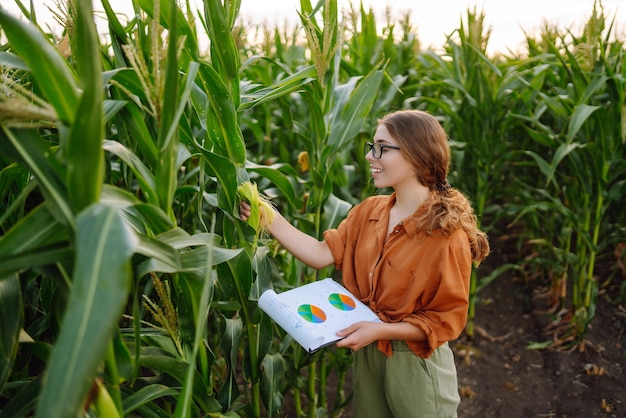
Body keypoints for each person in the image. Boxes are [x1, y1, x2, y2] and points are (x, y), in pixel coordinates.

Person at [240, 109, 490, 417]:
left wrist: (380, 330)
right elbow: (321, 254)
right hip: (370, 353)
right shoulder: (369, 211)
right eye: (371, 147)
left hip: (415, 361)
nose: (371, 156)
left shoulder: (445, 234)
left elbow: (444, 321)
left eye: (382, 148)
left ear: (415, 154)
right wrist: (269, 219)